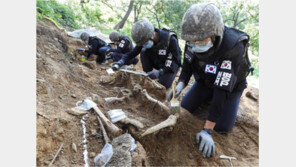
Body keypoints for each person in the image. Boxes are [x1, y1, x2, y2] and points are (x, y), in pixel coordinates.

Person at [167, 3, 253, 158]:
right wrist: (180, 85)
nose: (194, 45)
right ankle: (207, 99)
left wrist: (207, 130)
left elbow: (222, 90)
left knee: (222, 127)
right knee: (185, 107)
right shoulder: (191, 42)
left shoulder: (233, 46)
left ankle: (227, 105)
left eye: (201, 41)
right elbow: (187, 68)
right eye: (191, 42)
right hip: (205, 81)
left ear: (215, 34)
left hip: (231, 87)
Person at [112, 20, 182, 89]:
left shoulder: (170, 39)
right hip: (157, 61)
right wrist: (120, 62)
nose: (144, 44)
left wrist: (161, 72)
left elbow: (176, 60)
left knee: (164, 84)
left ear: (152, 35)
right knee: (143, 51)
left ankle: (164, 77)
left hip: (169, 65)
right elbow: (131, 54)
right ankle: (149, 73)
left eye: (145, 42)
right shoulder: (143, 39)